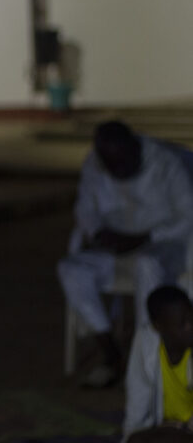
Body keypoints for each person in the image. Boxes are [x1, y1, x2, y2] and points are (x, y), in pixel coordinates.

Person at [58, 120, 193, 388]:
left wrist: (145, 238)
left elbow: (187, 216)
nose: (118, 171)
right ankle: (110, 352)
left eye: (124, 163)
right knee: (71, 269)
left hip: (163, 246)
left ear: (135, 147)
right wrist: (97, 233)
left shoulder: (165, 162)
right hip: (116, 247)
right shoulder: (94, 164)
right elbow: (85, 209)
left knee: (146, 265)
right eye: (112, 165)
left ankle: (147, 356)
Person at [124, 285, 193, 442]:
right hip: (166, 426)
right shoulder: (145, 342)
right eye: (182, 324)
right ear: (158, 327)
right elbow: (138, 394)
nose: (191, 327)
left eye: (192, 318)